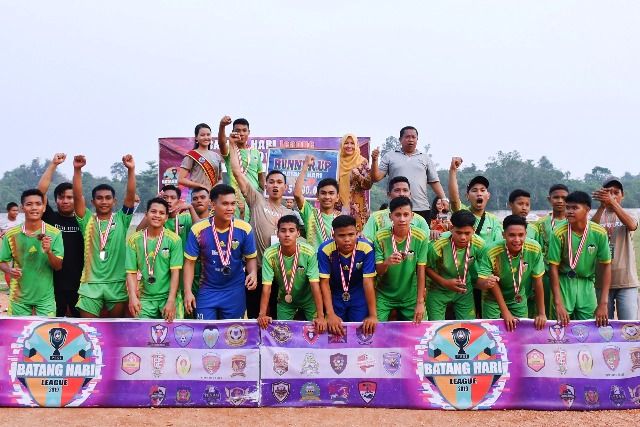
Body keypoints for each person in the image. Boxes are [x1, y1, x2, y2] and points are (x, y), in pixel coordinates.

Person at [228, 139, 293, 318]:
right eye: (271, 182)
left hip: (280, 274)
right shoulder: (257, 200)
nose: (275, 185)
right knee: (255, 316)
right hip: (255, 271)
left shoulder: (290, 214)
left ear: (285, 187)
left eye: (279, 182)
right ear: (266, 185)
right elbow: (237, 173)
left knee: (277, 318)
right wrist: (232, 146)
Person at [73, 154, 137, 318]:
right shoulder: (87, 220)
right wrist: (77, 170)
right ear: (93, 202)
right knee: (88, 328)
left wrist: (131, 170)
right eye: (99, 198)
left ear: (114, 201)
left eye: (108, 198)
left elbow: (130, 196)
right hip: (90, 284)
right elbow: (77, 197)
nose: (104, 201)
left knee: (115, 328)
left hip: (116, 283)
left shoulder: (122, 219)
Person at [183, 184, 257, 320]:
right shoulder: (198, 230)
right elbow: (189, 263)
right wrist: (188, 292)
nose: (230, 208)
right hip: (208, 290)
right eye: (225, 204)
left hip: (234, 291)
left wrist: (253, 273)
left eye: (233, 204)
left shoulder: (245, 229)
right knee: (204, 331)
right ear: (213, 204)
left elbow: (250, 258)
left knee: (232, 332)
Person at [548, 191, 611, 327]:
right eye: (568, 207)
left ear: (587, 209)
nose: (569, 211)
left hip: (586, 284)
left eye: (575, 208)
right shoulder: (558, 233)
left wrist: (603, 303)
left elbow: (606, 266)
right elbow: (553, 268)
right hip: (564, 283)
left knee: (588, 328)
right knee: (560, 328)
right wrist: (558, 303)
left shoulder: (599, 233)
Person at [476, 215, 546, 331]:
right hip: (492, 299)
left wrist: (541, 313)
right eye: (512, 235)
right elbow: (482, 282)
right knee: (493, 333)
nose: (517, 240)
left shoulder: (534, 248)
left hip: (517, 297)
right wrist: (505, 312)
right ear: (504, 235)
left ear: (526, 234)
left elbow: (538, 281)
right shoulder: (491, 251)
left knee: (520, 331)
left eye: (521, 235)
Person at [0, 189, 63, 316]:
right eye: (29, 204)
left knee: (46, 329)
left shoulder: (55, 233)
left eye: (38, 204)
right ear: (22, 208)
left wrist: (49, 252)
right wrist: (9, 270)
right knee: (18, 329)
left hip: (45, 299)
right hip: (18, 298)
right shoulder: (11, 234)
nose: (34, 208)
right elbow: (2, 261)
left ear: (44, 207)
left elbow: (58, 266)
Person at [37, 153, 84, 317]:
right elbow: (40, 192)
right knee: (54, 324)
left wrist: (78, 170)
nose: (65, 201)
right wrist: (53, 165)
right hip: (52, 282)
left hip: (79, 283)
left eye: (70, 197)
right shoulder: (50, 217)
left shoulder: (84, 221)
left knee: (80, 325)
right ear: (55, 200)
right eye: (61, 197)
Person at [258, 215, 325, 330]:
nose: (287, 234)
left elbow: (314, 285)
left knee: (317, 331)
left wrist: (321, 316)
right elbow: (267, 287)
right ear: (277, 233)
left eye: (291, 230)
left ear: (298, 233)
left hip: (309, 299)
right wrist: (262, 314)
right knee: (282, 333)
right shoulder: (269, 254)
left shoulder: (309, 252)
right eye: (283, 231)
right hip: (285, 301)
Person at [370, 126, 448, 220]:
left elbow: (434, 181)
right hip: (397, 208)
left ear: (417, 139)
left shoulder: (425, 158)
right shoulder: (389, 156)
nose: (411, 140)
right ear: (400, 139)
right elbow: (376, 178)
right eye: (407, 137)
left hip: (421, 208)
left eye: (413, 137)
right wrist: (374, 160)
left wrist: (444, 198)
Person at [318, 215, 377, 336]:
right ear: (333, 236)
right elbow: (324, 283)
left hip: (358, 293)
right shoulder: (325, 250)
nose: (347, 239)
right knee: (335, 331)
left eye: (351, 234)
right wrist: (330, 314)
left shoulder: (367, 248)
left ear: (357, 233)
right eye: (341, 235)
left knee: (358, 331)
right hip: (336, 293)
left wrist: (372, 315)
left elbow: (368, 282)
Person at [126, 198, 183, 321]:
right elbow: (131, 272)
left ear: (166, 218)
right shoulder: (134, 239)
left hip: (168, 297)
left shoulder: (174, 240)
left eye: (161, 213)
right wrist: (132, 297)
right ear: (146, 214)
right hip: (145, 298)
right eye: (153, 211)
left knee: (173, 331)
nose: (157, 215)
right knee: (142, 331)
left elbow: (175, 272)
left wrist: (171, 300)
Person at [373, 196, 428, 323]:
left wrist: (420, 302)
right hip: (384, 295)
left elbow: (421, 270)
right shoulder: (380, 236)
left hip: (410, 295)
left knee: (421, 329)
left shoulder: (421, 236)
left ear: (412, 216)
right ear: (390, 216)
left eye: (406, 215)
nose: (402, 219)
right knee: (375, 329)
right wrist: (387, 262)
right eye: (397, 215)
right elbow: (378, 271)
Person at [591, 177, 639, 320]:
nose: (612, 196)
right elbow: (590, 232)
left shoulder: (628, 215)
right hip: (602, 281)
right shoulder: (598, 215)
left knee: (629, 325)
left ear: (622, 195)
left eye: (616, 193)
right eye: (608, 192)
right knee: (604, 326)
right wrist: (602, 206)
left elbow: (632, 225)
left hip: (626, 281)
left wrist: (612, 203)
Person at [426, 210, 485, 321]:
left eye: (467, 233)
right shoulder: (438, 244)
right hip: (438, 289)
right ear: (451, 228)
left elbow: (487, 266)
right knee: (435, 328)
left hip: (464, 289)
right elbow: (425, 267)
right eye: (459, 232)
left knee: (468, 325)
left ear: (473, 230)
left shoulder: (480, 244)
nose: (463, 237)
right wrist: (444, 282)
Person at [533, 183, 569, 316]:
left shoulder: (573, 221)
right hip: (546, 275)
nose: (560, 201)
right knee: (547, 311)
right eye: (556, 197)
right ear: (549, 199)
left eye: (564, 198)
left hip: (566, 275)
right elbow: (537, 249)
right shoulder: (541, 223)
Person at [219, 116, 265, 220]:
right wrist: (222, 126)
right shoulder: (230, 149)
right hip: (235, 197)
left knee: (252, 226)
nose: (241, 133)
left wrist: (268, 196)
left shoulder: (255, 152)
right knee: (237, 226)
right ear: (233, 132)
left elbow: (261, 178)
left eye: (244, 130)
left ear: (249, 132)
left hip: (253, 198)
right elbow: (221, 144)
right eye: (238, 130)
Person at [448, 157, 503, 243]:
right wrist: (453, 170)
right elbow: (454, 200)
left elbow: (498, 243)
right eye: (474, 190)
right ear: (467, 196)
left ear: (488, 195)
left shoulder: (494, 220)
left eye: (482, 190)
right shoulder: (462, 213)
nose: (479, 193)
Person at [362, 176, 430, 242]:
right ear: (389, 194)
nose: (401, 194)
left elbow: (427, 244)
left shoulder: (420, 221)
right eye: (397, 190)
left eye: (405, 190)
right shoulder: (375, 218)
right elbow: (366, 242)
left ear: (410, 194)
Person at [294, 155, 341, 249]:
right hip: (313, 258)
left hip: (334, 258)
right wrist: (305, 165)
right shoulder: (310, 213)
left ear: (337, 197)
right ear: (317, 196)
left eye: (331, 193)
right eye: (323, 193)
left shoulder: (341, 218)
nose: (327, 197)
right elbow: (297, 194)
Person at [334, 133, 373, 231]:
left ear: (356, 145)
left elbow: (368, 184)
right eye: (346, 143)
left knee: (357, 234)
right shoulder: (335, 161)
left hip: (357, 207)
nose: (349, 146)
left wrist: (358, 176)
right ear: (342, 145)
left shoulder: (362, 162)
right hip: (337, 206)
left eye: (352, 143)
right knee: (338, 233)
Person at [178, 123, 223, 191]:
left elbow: (220, 179)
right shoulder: (192, 155)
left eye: (208, 135)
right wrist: (201, 186)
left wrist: (214, 188)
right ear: (196, 137)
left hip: (213, 195)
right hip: (196, 193)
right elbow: (181, 179)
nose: (206, 137)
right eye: (202, 135)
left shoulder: (216, 156)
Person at [1, 202, 22, 286]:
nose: (16, 212)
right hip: (7, 249)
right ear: (8, 211)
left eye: (17, 210)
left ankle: (19, 286)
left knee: (19, 268)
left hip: (19, 248)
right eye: (13, 210)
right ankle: (11, 287)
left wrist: (8, 231)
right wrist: (3, 234)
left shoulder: (21, 221)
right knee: (8, 269)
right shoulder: (1, 221)